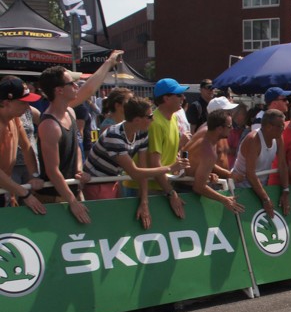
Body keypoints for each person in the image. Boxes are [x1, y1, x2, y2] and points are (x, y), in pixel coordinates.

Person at [35, 50, 124, 224]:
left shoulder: (70, 111)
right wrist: (73, 201)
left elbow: (76, 145)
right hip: (54, 197)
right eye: (72, 83)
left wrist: (78, 169)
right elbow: (53, 171)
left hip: (71, 192)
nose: (77, 86)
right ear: (59, 90)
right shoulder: (49, 125)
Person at [83, 97, 188, 228]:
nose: (153, 119)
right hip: (96, 182)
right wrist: (170, 168)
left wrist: (144, 202)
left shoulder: (142, 133)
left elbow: (142, 169)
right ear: (137, 120)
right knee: (105, 225)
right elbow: (135, 172)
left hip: (113, 180)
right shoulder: (114, 136)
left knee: (117, 223)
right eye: (150, 116)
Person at [0, 77, 46, 214]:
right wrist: (24, 193)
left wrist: (34, 175)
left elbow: (26, 148)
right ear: (6, 103)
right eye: (23, 102)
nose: (27, 107)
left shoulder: (15, 119)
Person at [232, 109, 289, 218]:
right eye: (281, 126)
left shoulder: (278, 137)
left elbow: (282, 165)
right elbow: (250, 174)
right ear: (269, 127)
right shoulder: (253, 140)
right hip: (241, 187)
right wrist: (265, 199)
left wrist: (285, 191)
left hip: (261, 185)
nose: (284, 128)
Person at [189, 107, 244, 213]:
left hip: (184, 186)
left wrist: (228, 174)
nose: (232, 128)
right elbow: (198, 186)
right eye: (229, 126)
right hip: (187, 191)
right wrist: (224, 199)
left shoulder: (205, 136)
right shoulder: (208, 151)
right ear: (219, 129)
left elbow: (200, 162)